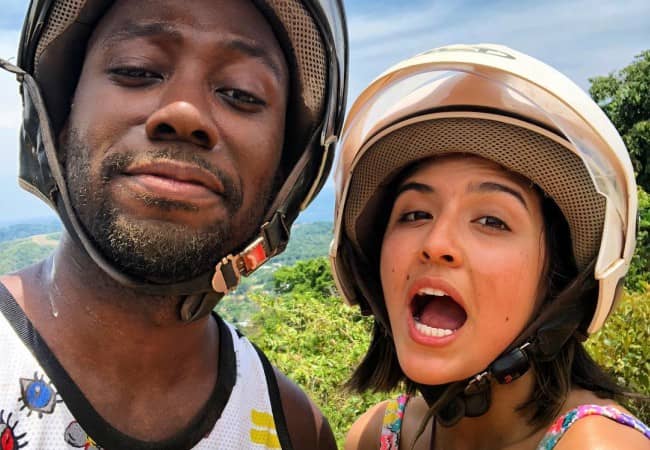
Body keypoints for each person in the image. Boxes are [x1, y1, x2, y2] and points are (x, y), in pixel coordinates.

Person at [0, 0, 347, 448]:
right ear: (60, 120)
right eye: (137, 69)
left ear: (286, 174)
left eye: (242, 93)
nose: (184, 113)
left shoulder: (296, 430)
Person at [330, 44, 649, 449]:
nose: (437, 243)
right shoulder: (377, 435)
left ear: (558, 283)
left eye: (491, 221)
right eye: (414, 214)